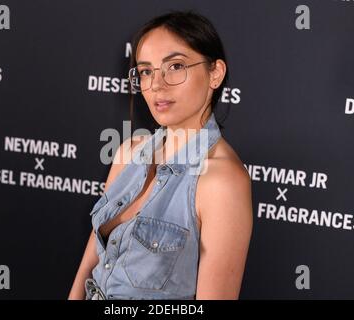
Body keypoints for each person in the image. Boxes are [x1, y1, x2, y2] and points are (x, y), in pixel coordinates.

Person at [68, 10, 252, 300]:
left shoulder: (221, 182)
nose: (156, 84)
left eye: (175, 66)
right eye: (146, 71)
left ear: (215, 73)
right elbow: (92, 258)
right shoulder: (129, 152)